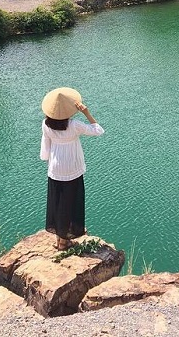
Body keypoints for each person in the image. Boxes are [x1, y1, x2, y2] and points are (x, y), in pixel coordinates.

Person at [39, 87, 104, 250]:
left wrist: (48, 161)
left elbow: (45, 149)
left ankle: (59, 239)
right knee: (71, 203)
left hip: (55, 169)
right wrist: (86, 112)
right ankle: (65, 241)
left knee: (57, 203)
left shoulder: (46, 125)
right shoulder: (74, 125)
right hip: (73, 168)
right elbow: (98, 131)